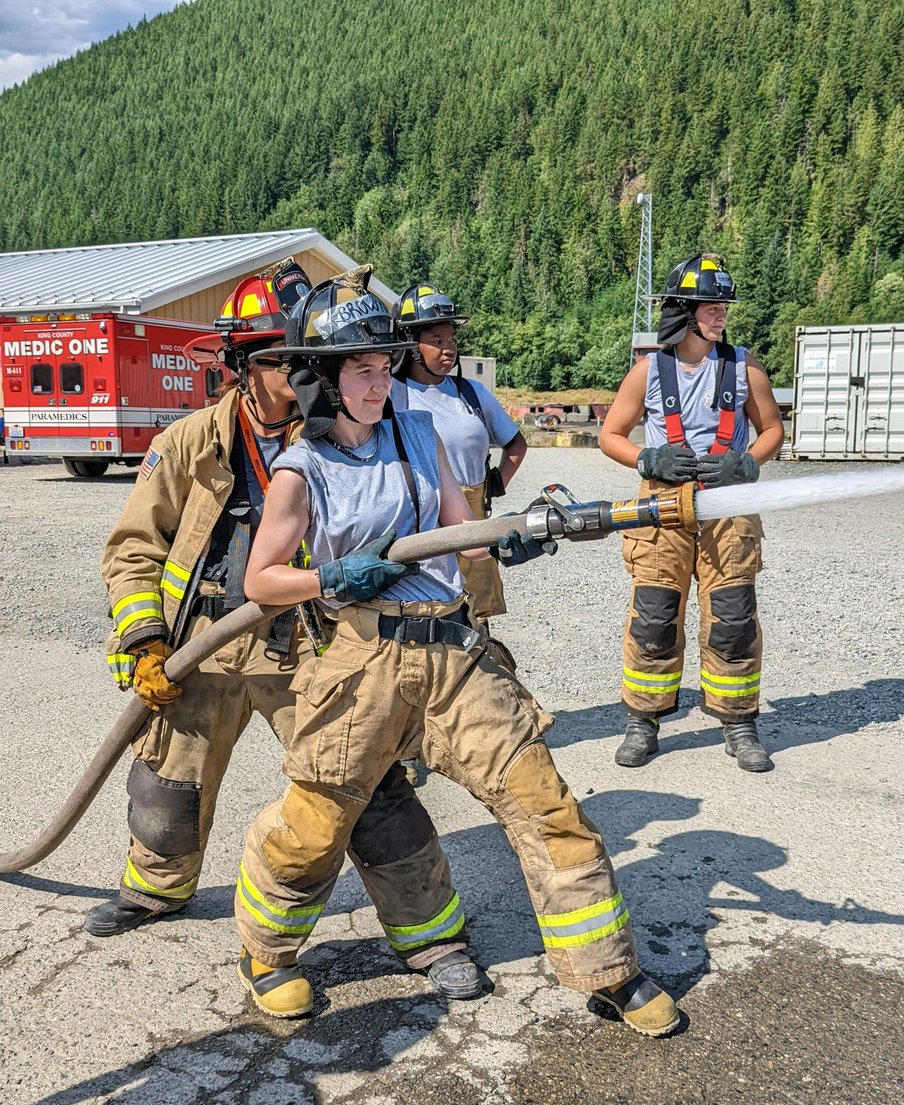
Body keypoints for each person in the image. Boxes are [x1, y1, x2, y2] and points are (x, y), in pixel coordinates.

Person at [231, 266, 679, 1037]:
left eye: (385, 366)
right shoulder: (301, 470)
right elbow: (261, 580)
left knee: (544, 803)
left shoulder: (418, 434)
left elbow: (458, 531)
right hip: (362, 661)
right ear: (322, 379)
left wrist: (512, 537)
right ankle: (266, 955)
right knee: (316, 822)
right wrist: (330, 577)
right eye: (362, 370)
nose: (381, 383)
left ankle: (609, 971)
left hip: (451, 653)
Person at [87, 263, 481, 1007]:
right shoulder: (190, 441)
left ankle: (431, 935)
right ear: (243, 365)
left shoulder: (344, 435)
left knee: (364, 784)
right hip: (202, 640)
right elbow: (134, 549)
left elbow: (432, 525)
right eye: (281, 360)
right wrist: (144, 641)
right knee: (168, 780)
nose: (301, 375)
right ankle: (155, 890)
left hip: (308, 639)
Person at [599, 254, 785, 772]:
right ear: (684, 310)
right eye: (711, 305)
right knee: (654, 615)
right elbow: (610, 435)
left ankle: (739, 723)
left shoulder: (744, 367)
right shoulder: (648, 372)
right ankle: (643, 721)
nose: (721, 313)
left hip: (729, 506)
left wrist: (748, 461)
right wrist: (647, 458)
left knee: (733, 616)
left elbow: (772, 429)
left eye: (724, 305)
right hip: (663, 504)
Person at [391, 284, 527, 658]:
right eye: (436, 341)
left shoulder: (471, 393)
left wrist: (494, 485)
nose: (448, 349)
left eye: (452, 340)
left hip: (473, 521)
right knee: (426, 613)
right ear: (410, 344)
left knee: (477, 619)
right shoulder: (390, 394)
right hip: (421, 526)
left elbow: (516, 445)